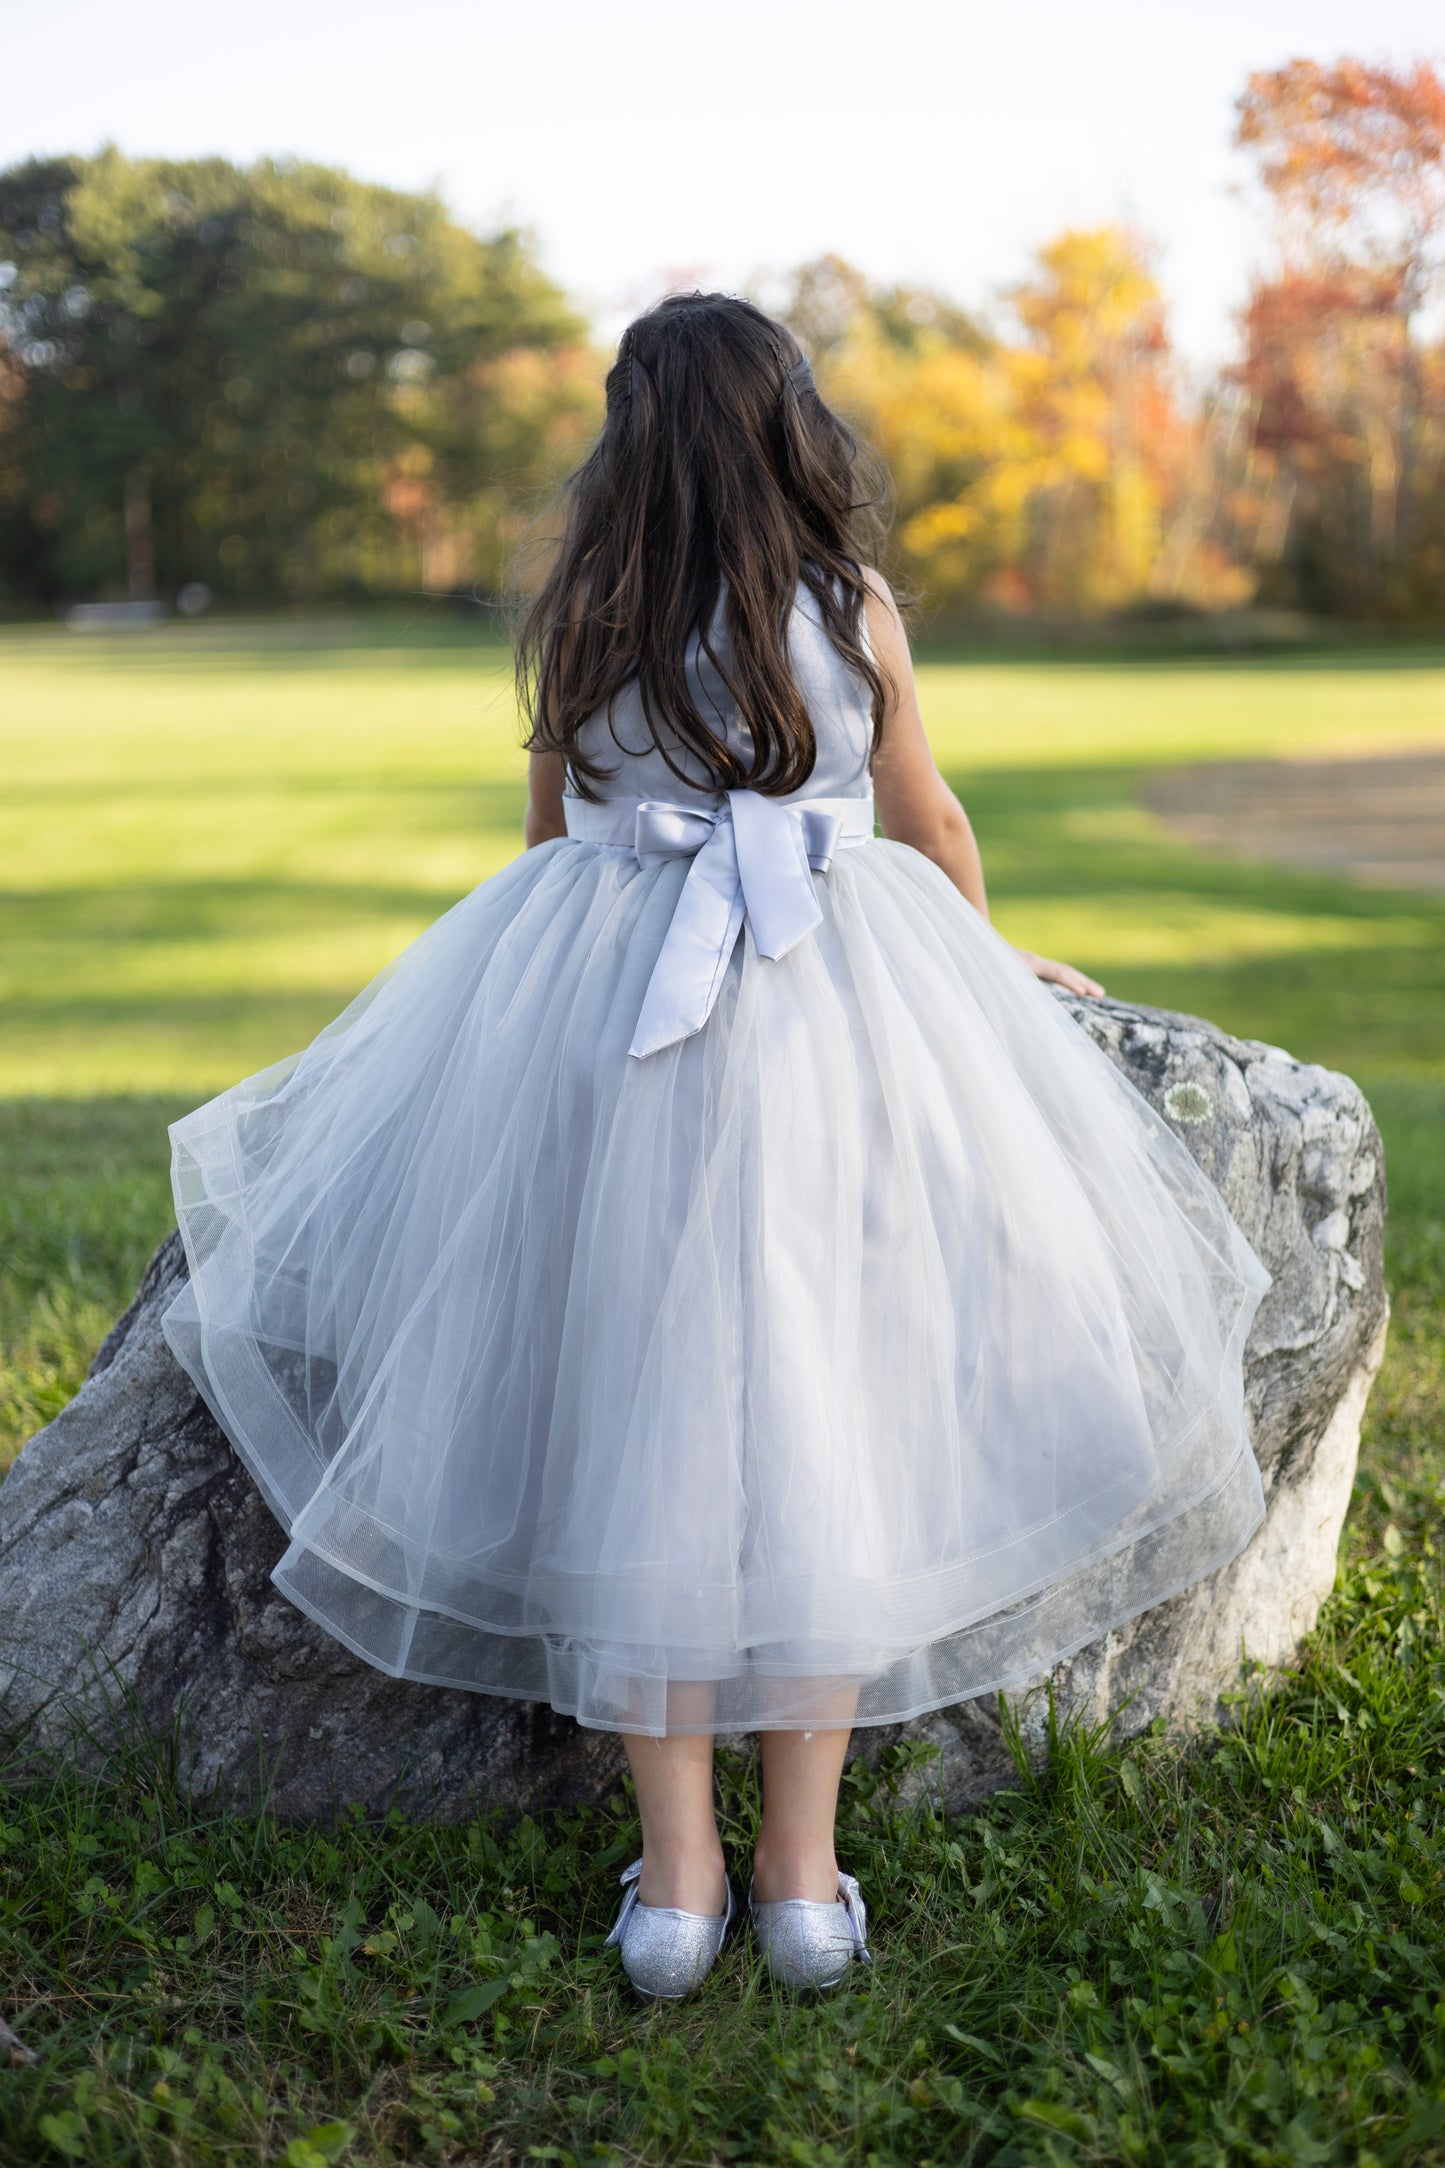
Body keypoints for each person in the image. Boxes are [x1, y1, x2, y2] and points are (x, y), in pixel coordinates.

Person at [161, 292, 1271, 2002]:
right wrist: (982, 965)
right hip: (833, 1021)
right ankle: (802, 1880)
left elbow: (546, 845)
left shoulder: (588, 606)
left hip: (616, 1030)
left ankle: (674, 1891)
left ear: (627, 441)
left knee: (636, 1422)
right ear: (790, 431)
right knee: (829, 1423)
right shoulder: (855, 606)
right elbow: (931, 819)